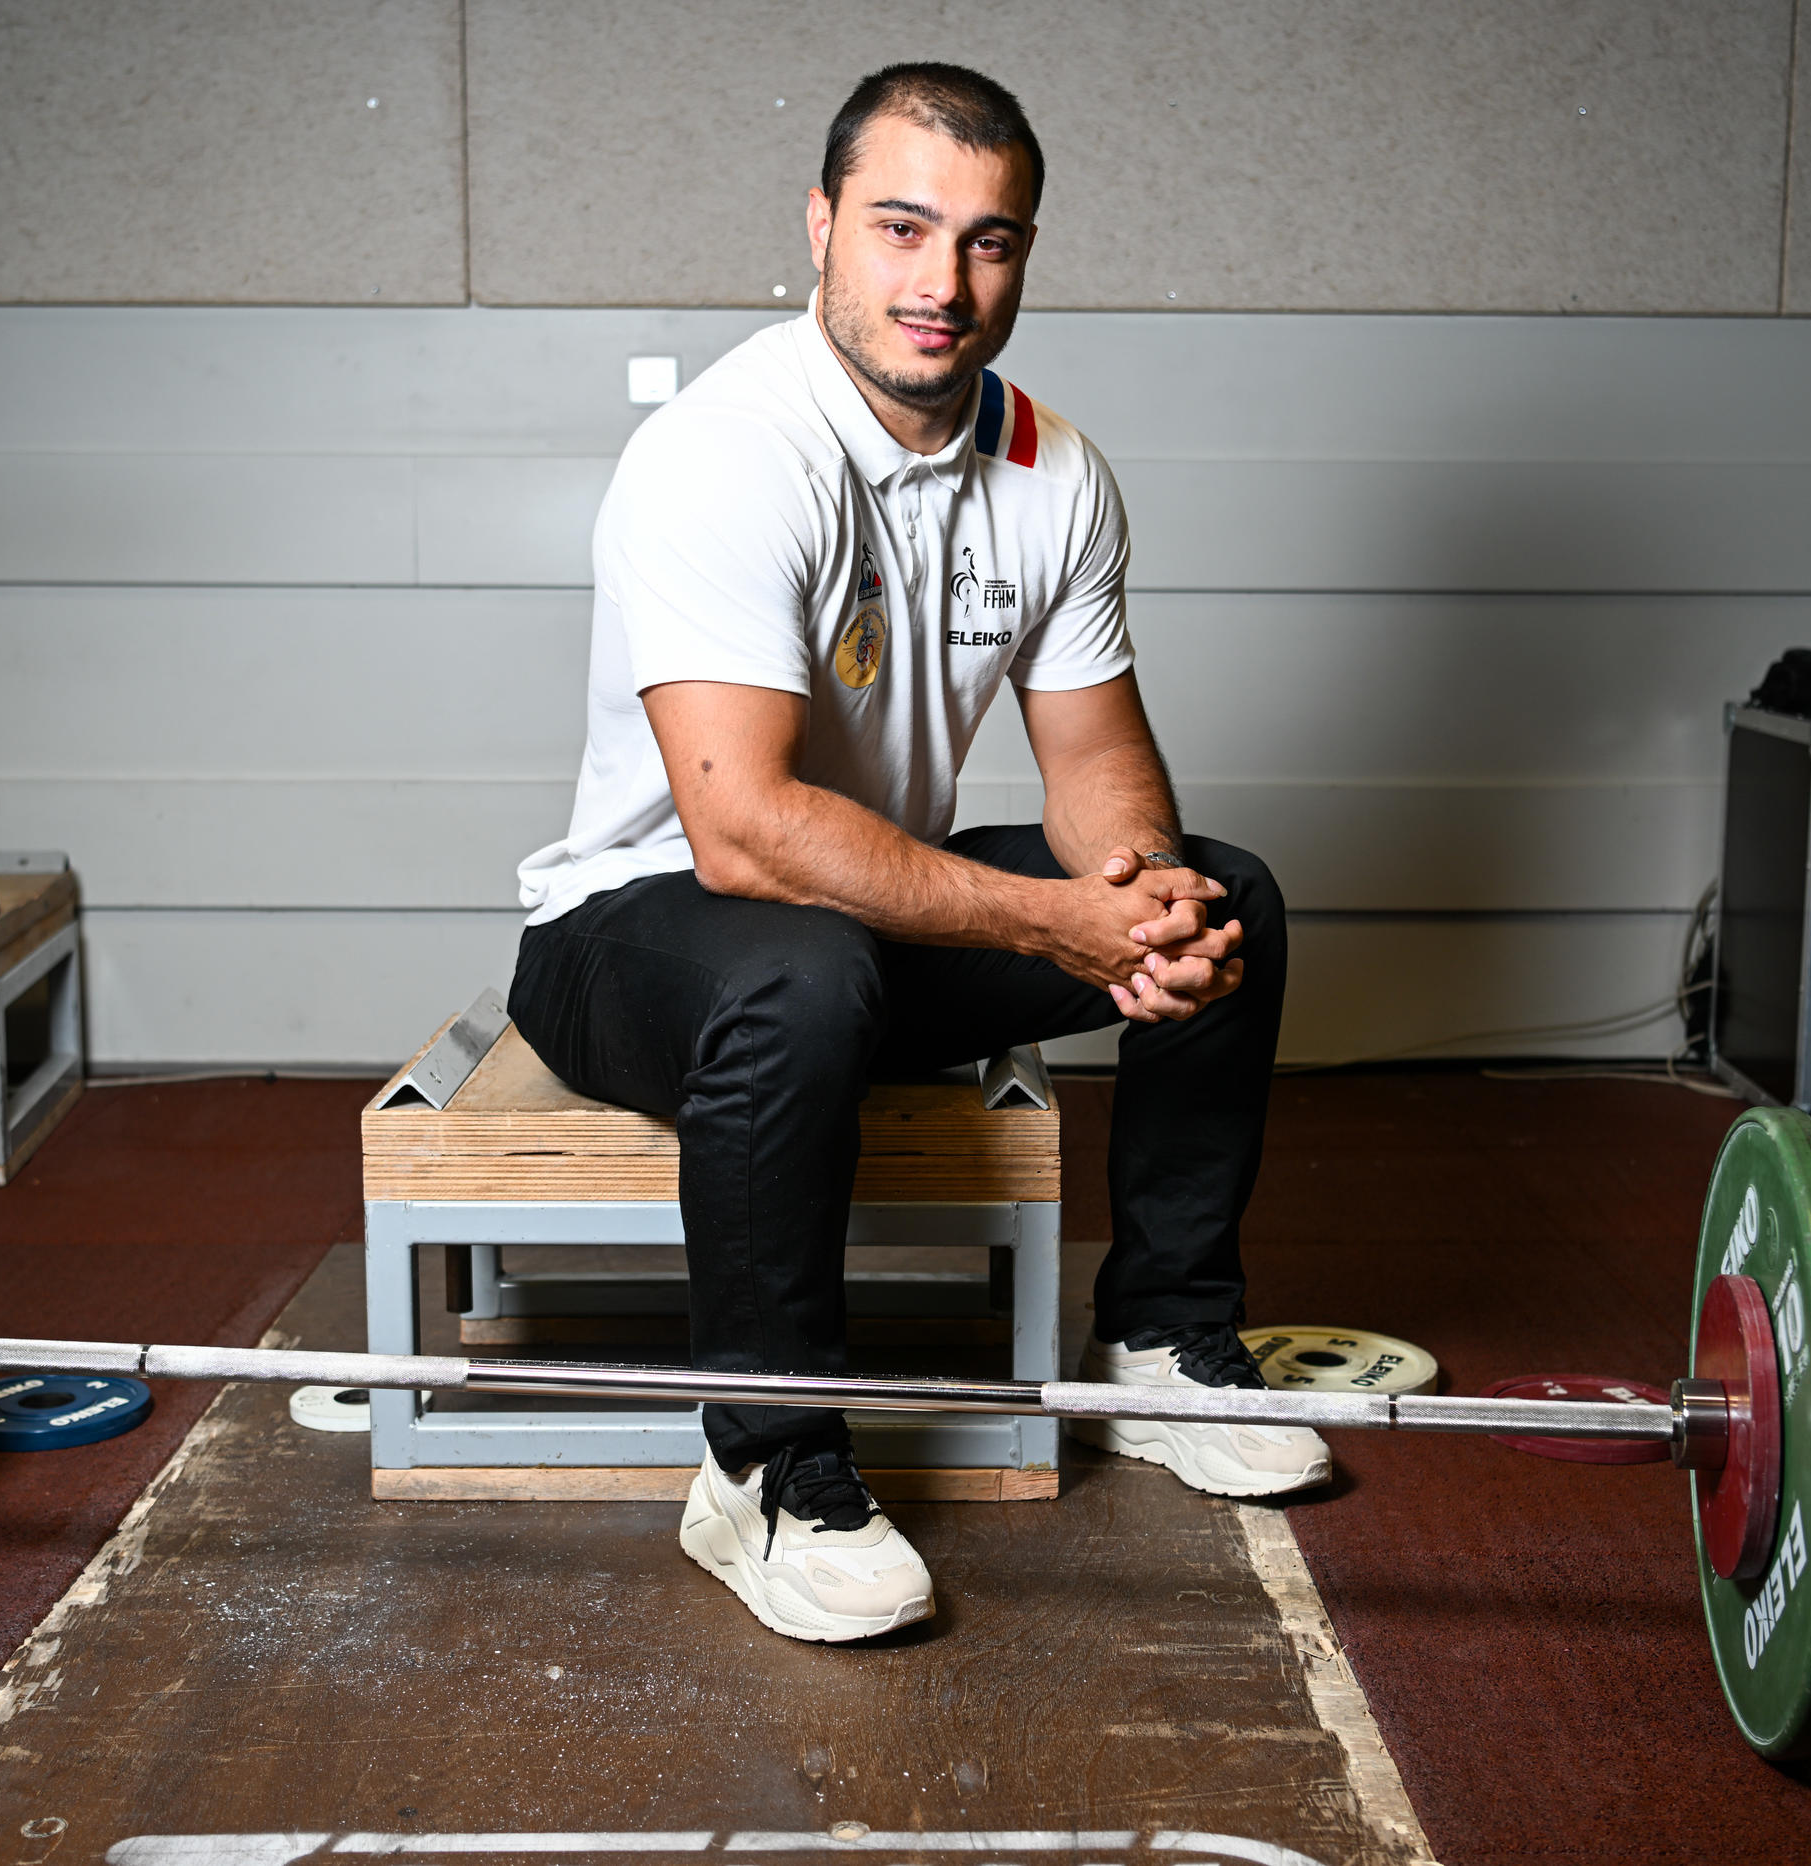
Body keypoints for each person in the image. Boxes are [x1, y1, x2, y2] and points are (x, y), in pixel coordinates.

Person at [508, 62, 1323, 1645]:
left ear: (1024, 255)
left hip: (863, 907)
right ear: (820, 228)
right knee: (799, 968)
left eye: (988, 241)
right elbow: (741, 828)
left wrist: (1137, 899)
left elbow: (1094, 768)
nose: (941, 284)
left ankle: (1159, 1343)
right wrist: (1051, 924)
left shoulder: (1053, 468)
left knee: (1232, 895)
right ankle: (764, 1460)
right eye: (899, 227)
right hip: (632, 931)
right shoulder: (729, 450)